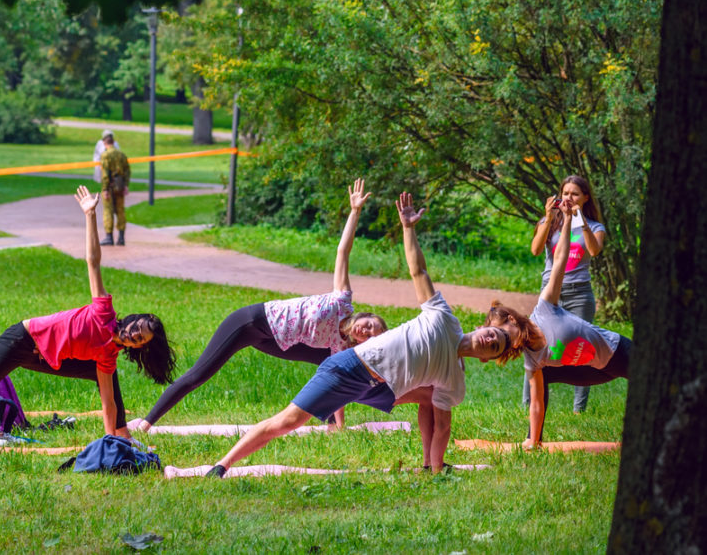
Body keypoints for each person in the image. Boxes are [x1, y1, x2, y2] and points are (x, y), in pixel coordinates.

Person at [203, 190, 521, 477]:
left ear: (486, 359)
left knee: (428, 396)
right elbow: (418, 271)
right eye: (493, 334)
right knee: (288, 422)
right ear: (483, 326)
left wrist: (438, 469)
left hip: (380, 387)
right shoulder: (444, 317)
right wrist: (408, 229)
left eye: (495, 346)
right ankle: (222, 465)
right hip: (350, 369)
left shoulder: (454, 382)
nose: (491, 340)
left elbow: (443, 429)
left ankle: (431, 467)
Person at [0, 185, 175, 453]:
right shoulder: (103, 312)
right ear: (131, 320)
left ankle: (120, 438)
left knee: (107, 374)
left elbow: (109, 403)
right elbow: (93, 261)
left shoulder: (108, 355)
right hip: (21, 341)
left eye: (139, 339)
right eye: (136, 328)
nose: (133, 334)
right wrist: (90, 215)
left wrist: (109, 442)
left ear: (138, 347)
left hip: (45, 358)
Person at [135, 179, 387, 433]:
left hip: (274, 341)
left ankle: (336, 425)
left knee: (331, 365)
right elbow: (343, 252)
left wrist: (339, 425)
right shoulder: (342, 301)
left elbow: (336, 379)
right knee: (199, 375)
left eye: (369, 336)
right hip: (253, 322)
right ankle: (145, 424)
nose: (366, 331)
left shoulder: (340, 347)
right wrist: (355, 212)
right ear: (363, 316)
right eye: (369, 325)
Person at [486, 198, 630, 449]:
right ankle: (535, 438)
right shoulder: (532, 360)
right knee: (542, 375)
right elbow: (536, 403)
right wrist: (532, 442)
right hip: (591, 371)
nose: (505, 340)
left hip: (616, 351)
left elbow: (560, 260)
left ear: (512, 320)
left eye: (503, 332)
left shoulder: (544, 309)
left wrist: (567, 221)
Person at [525, 175, 606, 413]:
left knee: (584, 348)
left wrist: (580, 220)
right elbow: (535, 250)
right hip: (550, 293)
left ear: (585, 198)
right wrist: (549, 217)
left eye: (575, 194)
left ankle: (579, 409)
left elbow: (594, 250)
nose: (569, 198)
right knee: (536, 343)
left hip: (579, 293)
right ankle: (528, 403)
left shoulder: (595, 227)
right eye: (566, 193)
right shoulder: (548, 221)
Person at [100, 131, 130, 246]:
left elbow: (105, 174)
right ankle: (121, 238)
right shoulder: (121, 154)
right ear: (113, 141)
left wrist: (105, 189)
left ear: (104, 142)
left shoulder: (105, 155)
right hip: (120, 186)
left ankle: (109, 237)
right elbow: (127, 171)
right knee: (120, 211)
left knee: (108, 211)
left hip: (110, 187)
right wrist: (126, 185)